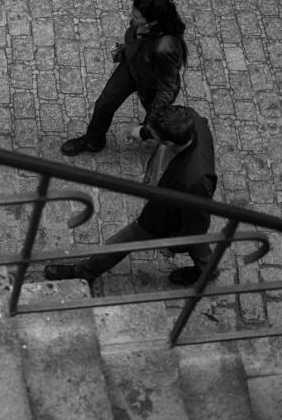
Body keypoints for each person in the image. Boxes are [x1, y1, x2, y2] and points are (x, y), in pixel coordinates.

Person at [44, 105, 217, 286]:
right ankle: (207, 270)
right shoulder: (191, 119)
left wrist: (173, 245)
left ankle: (84, 272)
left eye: (155, 135)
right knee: (198, 245)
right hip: (169, 198)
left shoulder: (193, 181)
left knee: (120, 243)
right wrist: (144, 133)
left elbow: (195, 227)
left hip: (163, 216)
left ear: (169, 144)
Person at [61, 0, 188, 156]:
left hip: (151, 86)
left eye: (136, 16)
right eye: (133, 12)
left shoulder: (165, 49)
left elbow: (167, 88)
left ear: (153, 21)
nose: (131, 17)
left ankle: (171, 141)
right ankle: (93, 141)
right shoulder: (141, 24)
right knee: (104, 105)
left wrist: (144, 130)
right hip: (132, 68)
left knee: (157, 121)